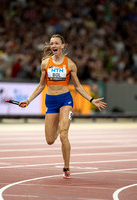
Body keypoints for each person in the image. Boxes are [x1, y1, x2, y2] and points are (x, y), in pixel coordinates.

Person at [19, 34, 107, 179]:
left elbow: (78, 86)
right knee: (49, 140)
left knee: (64, 134)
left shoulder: (70, 64)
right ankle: (60, 124)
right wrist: (28, 100)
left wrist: (92, 100)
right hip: (51, 102)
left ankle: (66, 167)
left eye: (57, 43)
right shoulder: (45, 63)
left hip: (66, 100)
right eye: (52, 43)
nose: (54, 46)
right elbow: (41, 85)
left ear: (63, 46)